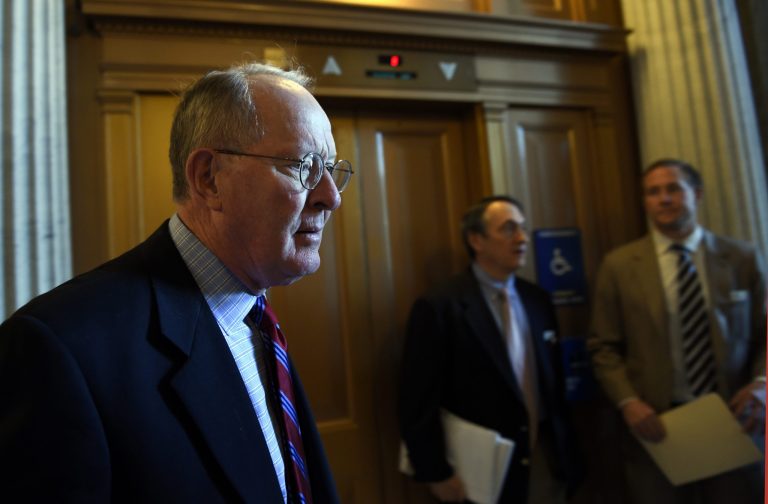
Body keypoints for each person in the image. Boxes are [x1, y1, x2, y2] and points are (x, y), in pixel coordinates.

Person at [0, 62, 353, 502]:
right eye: (304, 165)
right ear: (208, 179)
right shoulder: (61, 348)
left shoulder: (255, 317)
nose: (331, 196)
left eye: (333, 169)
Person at [588, 158, 766, 503]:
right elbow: (603, 347)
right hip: (658, 427)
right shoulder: (620, 266)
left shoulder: (741, 257)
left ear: (696, 195)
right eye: (653, 192)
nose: (663, 199)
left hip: (733, 421)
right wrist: (627, 401)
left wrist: (763, 384)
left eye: (673, 189)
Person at [398, 196, 581, 503]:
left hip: (544, 464)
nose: (521, 238)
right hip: (479, 473)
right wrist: (435, 472)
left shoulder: (537, 300)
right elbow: (417, 400)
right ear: (476, 240)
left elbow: (554, 387)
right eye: (508, 229)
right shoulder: (441, 306)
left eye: (522, 228)